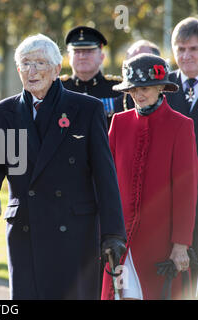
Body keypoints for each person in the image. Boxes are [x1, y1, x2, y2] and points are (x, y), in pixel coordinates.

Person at [0, 34, 127, 300]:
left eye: (40, 63)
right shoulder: (1, 114)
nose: (32, 71)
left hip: (75, 231)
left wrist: (113, 232)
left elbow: (105, 174)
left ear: (57, 69)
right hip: (26, 229)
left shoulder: (87, 109)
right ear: (18, 69)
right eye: (25, 64)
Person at [102, 53, 197, 300]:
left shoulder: (181, 125)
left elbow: (186, 191)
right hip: (121, 239)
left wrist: (180, 245)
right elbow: (106, 183)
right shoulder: (119, 123)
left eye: (144, 88)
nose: (137, 95)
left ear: (160, 87)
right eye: (132, 89)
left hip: (161, 241)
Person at [165, 17, 198, 297]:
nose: (186, 56)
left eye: (194, 49)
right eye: (180, 49)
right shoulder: (160, 89)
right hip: (168, 205)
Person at [60, 26, 122, 127]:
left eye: (89, 51)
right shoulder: (58, 88)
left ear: (102, 57)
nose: (82, 57)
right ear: (69, 57)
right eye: (77, 52)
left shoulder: (117, 88)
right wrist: (23, 143)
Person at [114, 40, 161, 113]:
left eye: (143, 62)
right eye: (132, 63)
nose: (137, 69)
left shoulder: (172, 97)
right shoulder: (120, 102)